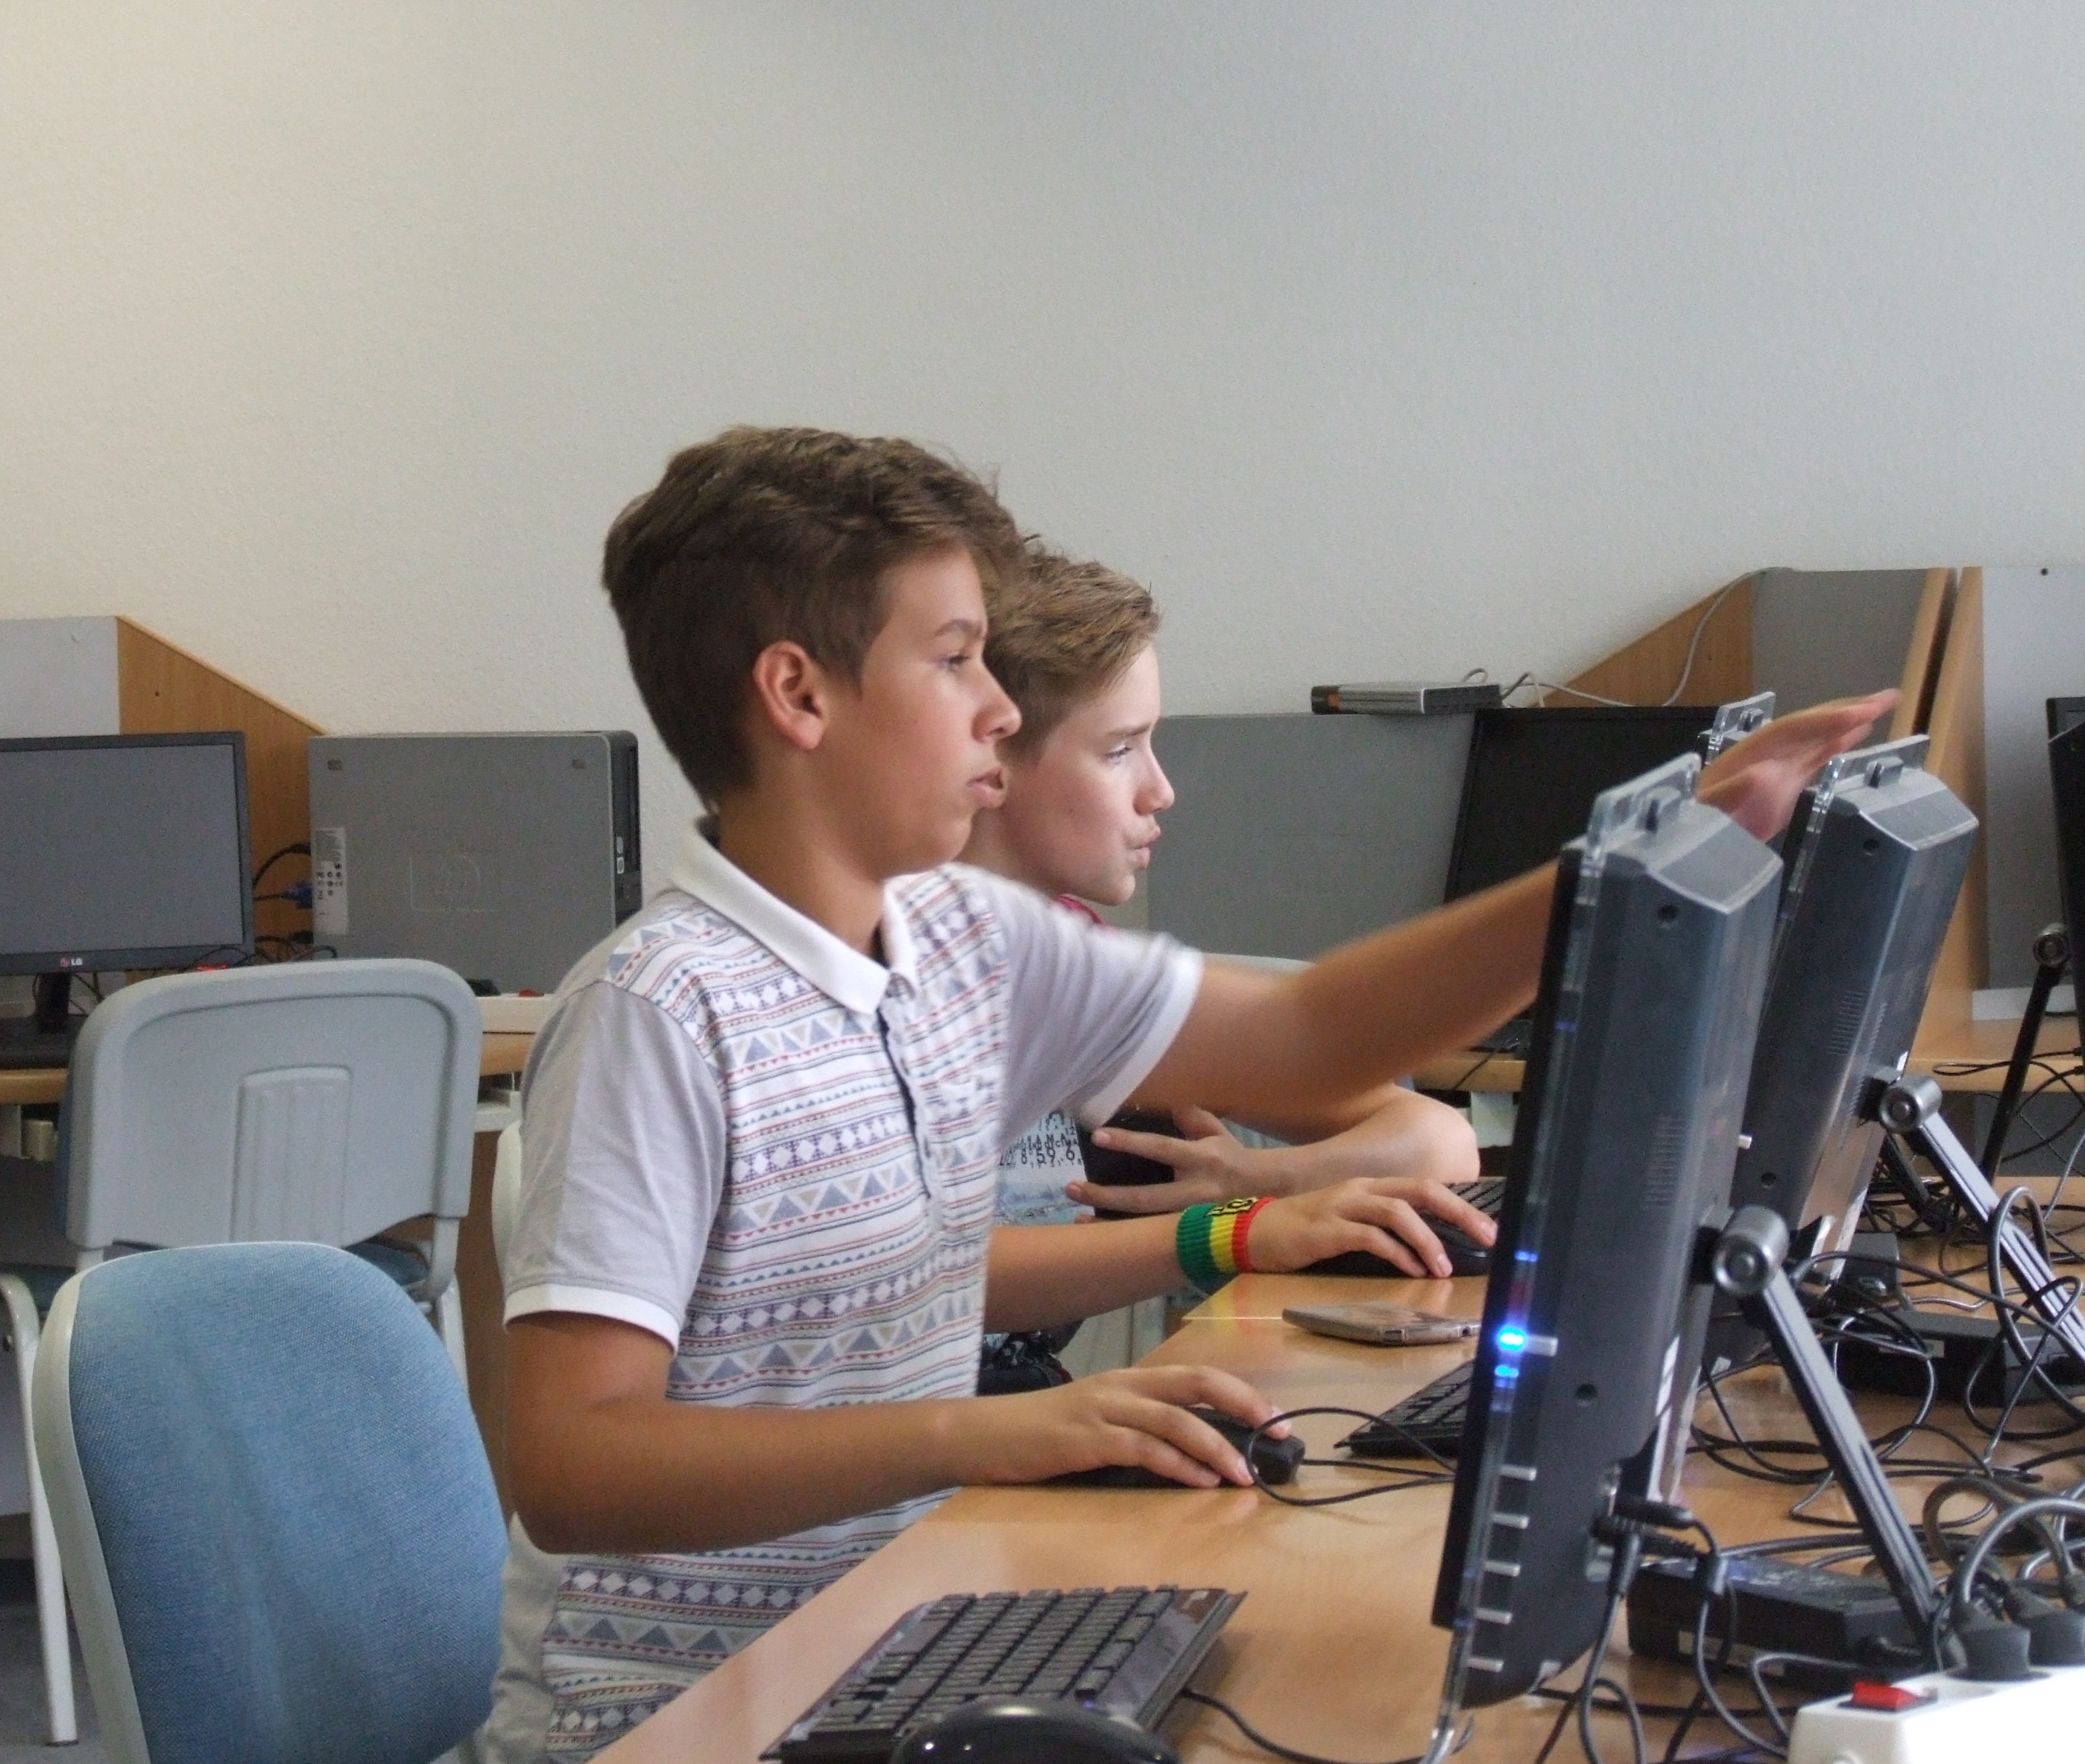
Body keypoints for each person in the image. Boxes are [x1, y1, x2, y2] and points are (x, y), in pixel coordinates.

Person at [486, 426, 1887, 1761]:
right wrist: (979, 1434)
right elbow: (575, 1462)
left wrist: (1622, 876)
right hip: (676, 1711)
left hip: (894, 1635)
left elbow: (1313, 1036)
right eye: (955, 658)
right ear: (798, 695)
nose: (997, 706)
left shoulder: (964, 942)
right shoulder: (659, 1012)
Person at [958, 549, 1477, 1259]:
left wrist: (1258, 1181)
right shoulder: (906, 959)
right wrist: (1231, 1233)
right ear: (991, 759)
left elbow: (1441, 1143)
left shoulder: (1078, 963)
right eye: (1119, 750)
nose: (1161, 790)